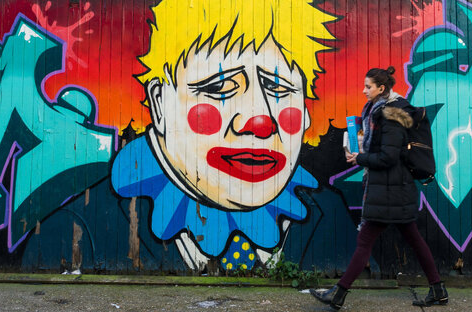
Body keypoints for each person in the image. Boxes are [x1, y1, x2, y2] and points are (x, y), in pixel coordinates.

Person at [110, 0, 338, 271]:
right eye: (219, 87)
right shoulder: (95, 217)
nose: (259, 121)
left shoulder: (332, 214)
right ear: (160, 105)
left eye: (278, 89)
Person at [310, 67, 448, 310]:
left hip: (389, 189)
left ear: (381, 89)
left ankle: (338, 294)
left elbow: (388, 157)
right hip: (393, 189)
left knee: (365, 241)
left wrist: (360, 158)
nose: (364, 91)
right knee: (413, 239)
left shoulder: (391, 115)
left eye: (368, 87)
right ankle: (438, 290)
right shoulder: (379, 112)